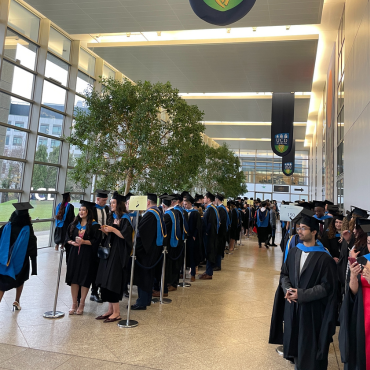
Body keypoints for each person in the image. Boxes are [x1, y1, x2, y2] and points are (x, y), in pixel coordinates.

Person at [280, 215, 337, 370]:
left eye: (303, 228)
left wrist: (302, 294)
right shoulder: (294, 252)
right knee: (296, 349)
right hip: (293, 309)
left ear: (314, 232)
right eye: (299, 228)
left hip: (312, 313)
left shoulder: (325, 258)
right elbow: (284, 274)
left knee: (311, 351)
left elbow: (327, 287)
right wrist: (288, 289)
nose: (299, 231)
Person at [95, 192, 133, 323]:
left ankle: (117, 312)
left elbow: (126, 237)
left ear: (119, 204)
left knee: (113, 280)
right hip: (109, 251)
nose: (111, 204)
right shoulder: (112, 216)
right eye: (110, 202)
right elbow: (111, 233)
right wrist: (106, 230)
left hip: (118, 253)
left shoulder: (126, 218)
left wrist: (113, 229)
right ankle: (110, 309)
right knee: (105, 280)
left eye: (113, 202)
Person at [339, 219, 370, 369]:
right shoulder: (363, 260)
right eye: (369, 242)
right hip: (362, 315)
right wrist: (352, 276)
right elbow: (353, 291)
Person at [65, 200, 102, 315]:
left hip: (87, 255)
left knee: (84, 279)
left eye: (83, 210)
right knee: (74, 279)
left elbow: (96, 241)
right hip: (74, 254)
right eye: (80, 210)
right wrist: (72, 243)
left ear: (88, 212)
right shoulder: (74, 224)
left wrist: (84, 241)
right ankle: (74, 304)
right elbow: (66, 237)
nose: (81, 212)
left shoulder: (95, 226)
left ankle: (82, 303)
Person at [0, 202, 37, 311]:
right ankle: (17, 301)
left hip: (4, 260)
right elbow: (32, 247)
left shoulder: (7, 226)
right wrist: (34, 267)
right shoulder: (28, 229)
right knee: (20, 280)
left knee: (2, 285)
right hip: (21, 262)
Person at [132, 193, 166, 310]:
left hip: (146, 252)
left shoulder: (150, 214)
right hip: (155, 249)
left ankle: (142, 302)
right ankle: (146, 300)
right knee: (149, 276)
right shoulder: (158, 212)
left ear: (147, 202)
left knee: (144, 276)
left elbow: (141, 233)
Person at [91, 189, 110, 303]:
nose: (105, 202)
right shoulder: (92, 209)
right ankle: (93, 292)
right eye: (103, 200)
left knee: (102, 267)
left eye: (106, 200)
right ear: (97, 199)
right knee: (94, 268)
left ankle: (98, 290)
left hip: (104, 240)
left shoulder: (106, 209)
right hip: (94, 241)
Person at [199, 191, 219, 280]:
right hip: (211, 234)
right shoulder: (212, 208)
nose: (204, 199)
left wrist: (206, 232)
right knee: (208, 252)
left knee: (209, 252)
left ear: (209, 199)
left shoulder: (211, 209)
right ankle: (207, 271)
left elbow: (210, 223)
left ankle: (209, 273)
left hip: (210, 235)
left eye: (205, 198)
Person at [183, 193, 202, 282]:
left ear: (190, 203)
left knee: (192, 256)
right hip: (184, 237)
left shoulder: (195, 213)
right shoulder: (183, 212)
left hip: (191, 237)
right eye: (184, 204)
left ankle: (193, 274)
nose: (185, 206)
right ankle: (182, 273)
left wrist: (194, 235)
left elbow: (198, 226)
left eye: (186, 204)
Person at [214, 194, 229, 271]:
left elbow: (221, 222)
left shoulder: (221, 209)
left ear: (217, 200)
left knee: (219, 248)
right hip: (222, 232)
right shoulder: (223, 208)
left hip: (220, 233)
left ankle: (217, 265)